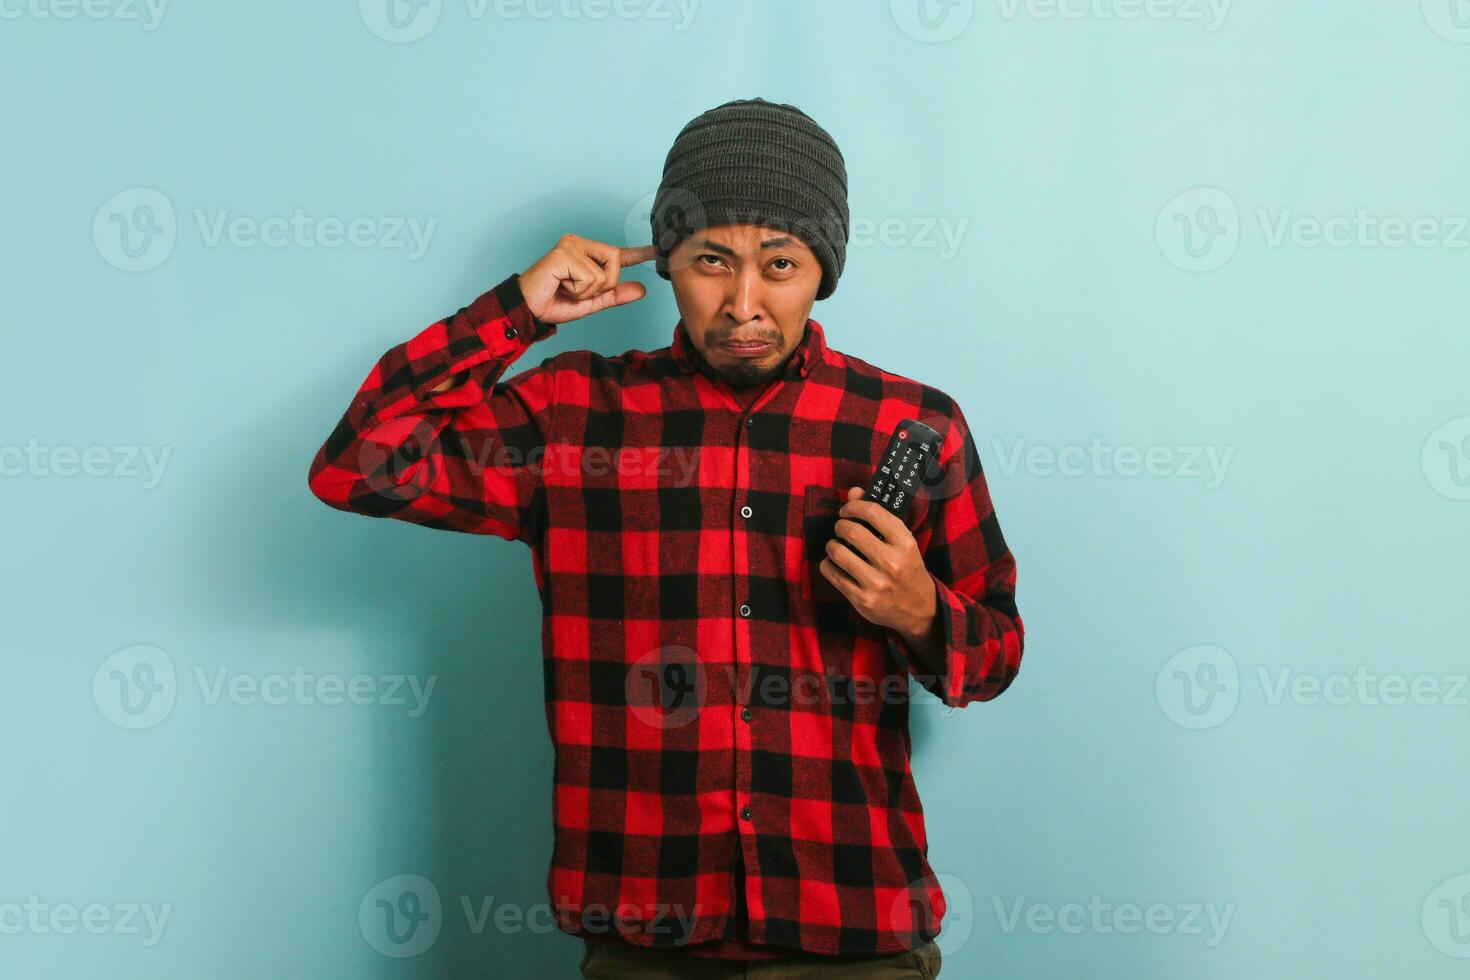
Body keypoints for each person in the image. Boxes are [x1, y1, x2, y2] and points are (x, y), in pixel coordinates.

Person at [307, 97, 1024, 978]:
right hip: (644, 937)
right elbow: (357, 465)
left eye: (781, 264)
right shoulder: (569, 415)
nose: (744, 303)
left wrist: (920, 613)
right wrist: (518, 313)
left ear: (823, 270)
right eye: (712, 261)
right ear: (668, 261)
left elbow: (996, 656)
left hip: (856, 927)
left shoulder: (913, 427)